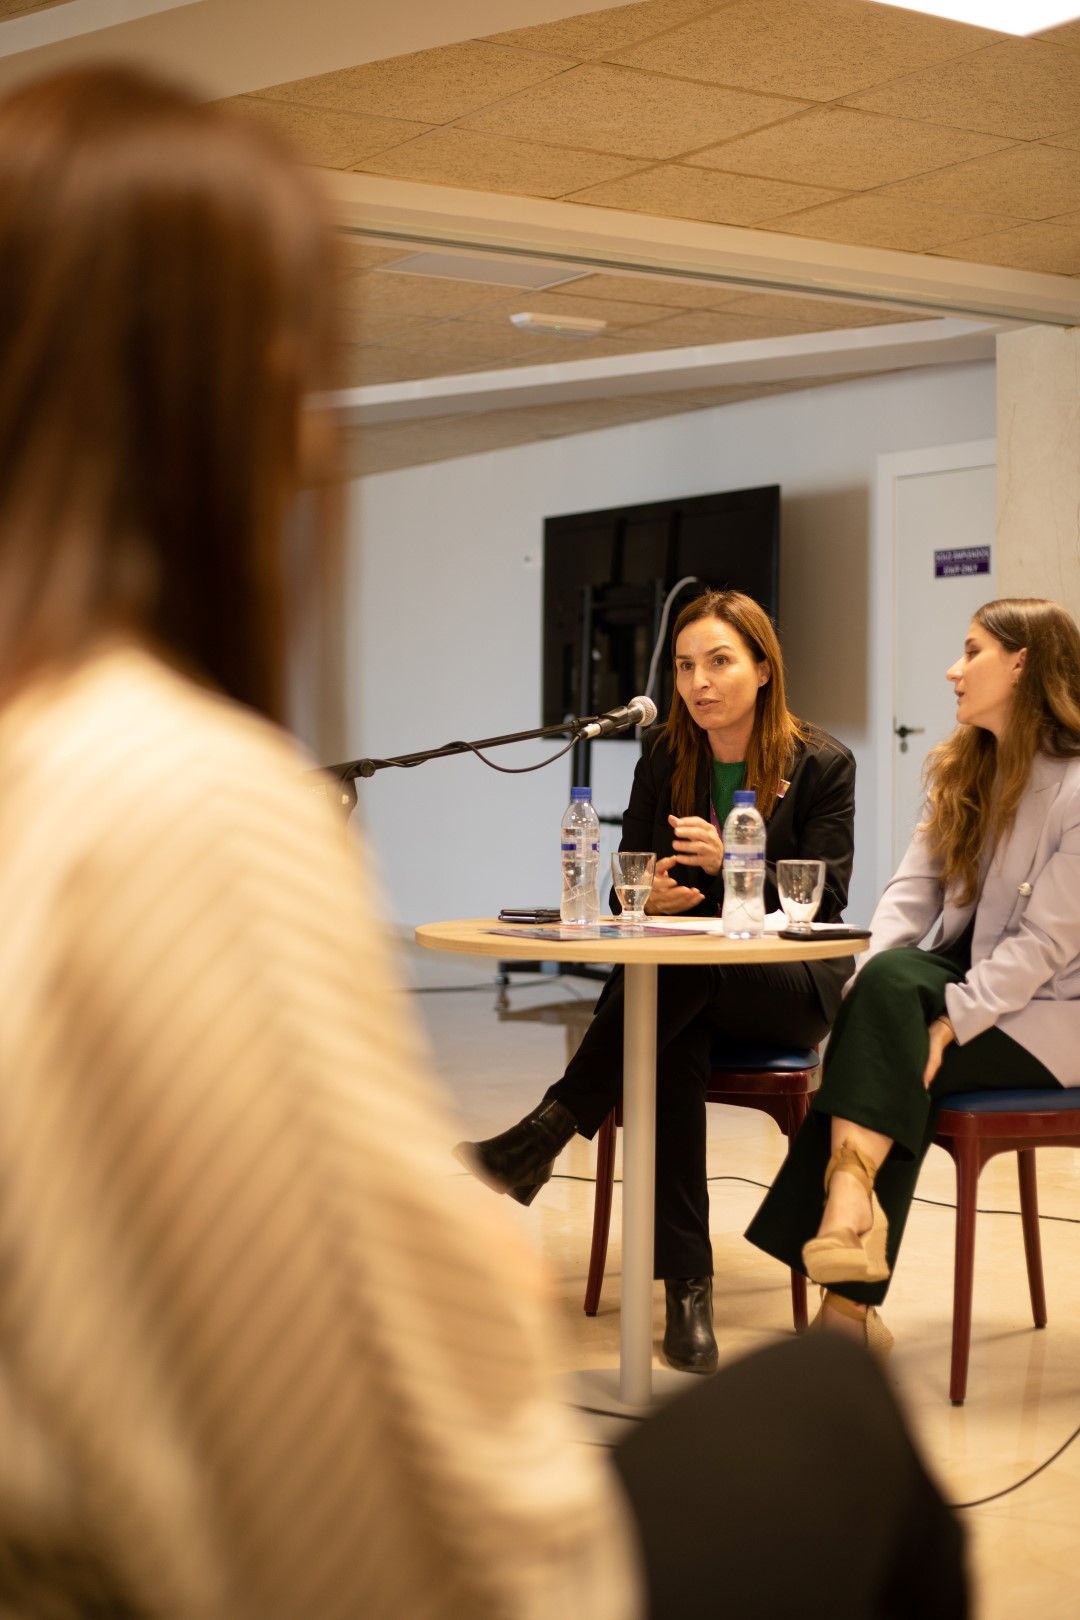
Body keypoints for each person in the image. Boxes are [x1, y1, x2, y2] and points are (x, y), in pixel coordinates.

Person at [457, 589, 856, 1373]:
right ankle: (687, 1289)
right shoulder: (665, 757)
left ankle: (551, 1125)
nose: (699, 683)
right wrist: (649, 895)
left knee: (674, 983)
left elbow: (827, 899)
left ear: (764, 668)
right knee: (671, 1035)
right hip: (691, 987)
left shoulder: (821, 761)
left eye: (719, 662)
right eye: (683, 667)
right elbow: (622, 888)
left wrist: (735, 866)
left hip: (787, 986)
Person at [746, 598, 1080, 1357]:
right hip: (966, 972)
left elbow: (1045, 946)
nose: (953, 670)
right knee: (889, 987)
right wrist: (863, 989)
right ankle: (848, 1215)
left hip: (1053, 1010)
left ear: (1022, 662)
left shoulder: (1077, 789)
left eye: (971, 651)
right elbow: (911, 894)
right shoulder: (965, 767)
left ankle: (848, 1259)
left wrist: (951, 1022)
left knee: (894, 1060)